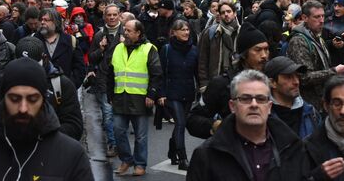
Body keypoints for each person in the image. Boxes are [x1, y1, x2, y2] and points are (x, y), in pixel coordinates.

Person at [0, 59, 94, 180]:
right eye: (15, 99)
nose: (23, 108)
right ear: (3, 99)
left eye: (32, 99)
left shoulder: (71, 155)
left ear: (43, 101)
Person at [187, 69, 309, 181]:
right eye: (245, 99)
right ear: (232, 106)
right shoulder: (207, 155)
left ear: (269, 107)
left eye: (261, 99)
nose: (254, 104)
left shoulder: (292, 148)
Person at [187, 22, 269, 139]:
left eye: (266, 49)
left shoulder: (272, 79)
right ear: (244, 54)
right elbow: (193, 120)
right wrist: (217, 126)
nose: (264, 55)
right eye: (258, 50)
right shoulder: (223, 84)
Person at [107, 19, 162, 176]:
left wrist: (151, 94)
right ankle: (126, 159)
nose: (126, 33)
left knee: (140, 136)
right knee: (118, 130)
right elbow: (111, 72)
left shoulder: (149, 49)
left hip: (140, 98)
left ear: (138, 33)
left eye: (129, 31)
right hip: (120, 97)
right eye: (125, 30)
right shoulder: (118, 48)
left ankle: (140, 164)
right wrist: (110, 93)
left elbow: (157, 74)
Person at [287, 0, 344, 110]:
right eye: (317, 17)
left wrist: (332, 46)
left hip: (322, 101)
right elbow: (304, 77)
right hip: (310, 106)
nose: (322, 20)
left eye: (323, 16)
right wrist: (335, 71)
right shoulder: (299, 41)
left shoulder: (316, 36)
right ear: (305, 18)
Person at [15, 36, 83, 140]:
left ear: (44, 58)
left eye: (33, 66)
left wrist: (43, 133)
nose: (28, 72)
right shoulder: (8, 82)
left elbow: (74, 127)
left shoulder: (62, 84)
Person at [158, 19, 198, 170]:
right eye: (182, 30)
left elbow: (197, 73)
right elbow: (160, 73)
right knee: (180, 123)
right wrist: (160, 94)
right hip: (171, 93)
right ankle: (183, 159)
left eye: (187, 29)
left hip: (188, 93)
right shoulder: (166, 49)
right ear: (174, 32)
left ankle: (172, 149)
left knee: (181, 124)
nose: (186, 32)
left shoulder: (194, 50)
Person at [88, 4, 123, 157]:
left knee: (120, 114)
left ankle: (122, 143)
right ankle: (113, 144)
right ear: (104, 17)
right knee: (108, 113)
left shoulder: (127, 32)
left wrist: (125, 45)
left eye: (115, 14)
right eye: (109, 15)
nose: (112, 17)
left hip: (123, 78)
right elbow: (91, 58)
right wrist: (101, 49)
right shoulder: (99, 35)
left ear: (119, 15)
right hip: (104, 78)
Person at [264, 55, 321, 139]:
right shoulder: (263, 116)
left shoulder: (311, 113)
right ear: (272, 83)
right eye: (288, 77)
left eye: (297, 76)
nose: (296, 82)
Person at [34, 8, 86, 89]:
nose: (42, 22)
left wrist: (70, 86)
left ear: (55, 22)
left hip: (64, 91)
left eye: (46, 20)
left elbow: (80, 68)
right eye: (41, 20)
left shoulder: (70, 41)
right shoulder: (33, 40)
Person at [198, 0, 240, 90]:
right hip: (216, 80)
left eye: (228, 11)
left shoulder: (242, 32)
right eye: (223, 12)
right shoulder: (211, 33)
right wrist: (204, 84)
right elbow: (202, 60)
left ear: (235, 13)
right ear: (220, 15)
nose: (226, 14)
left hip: (237, 80)